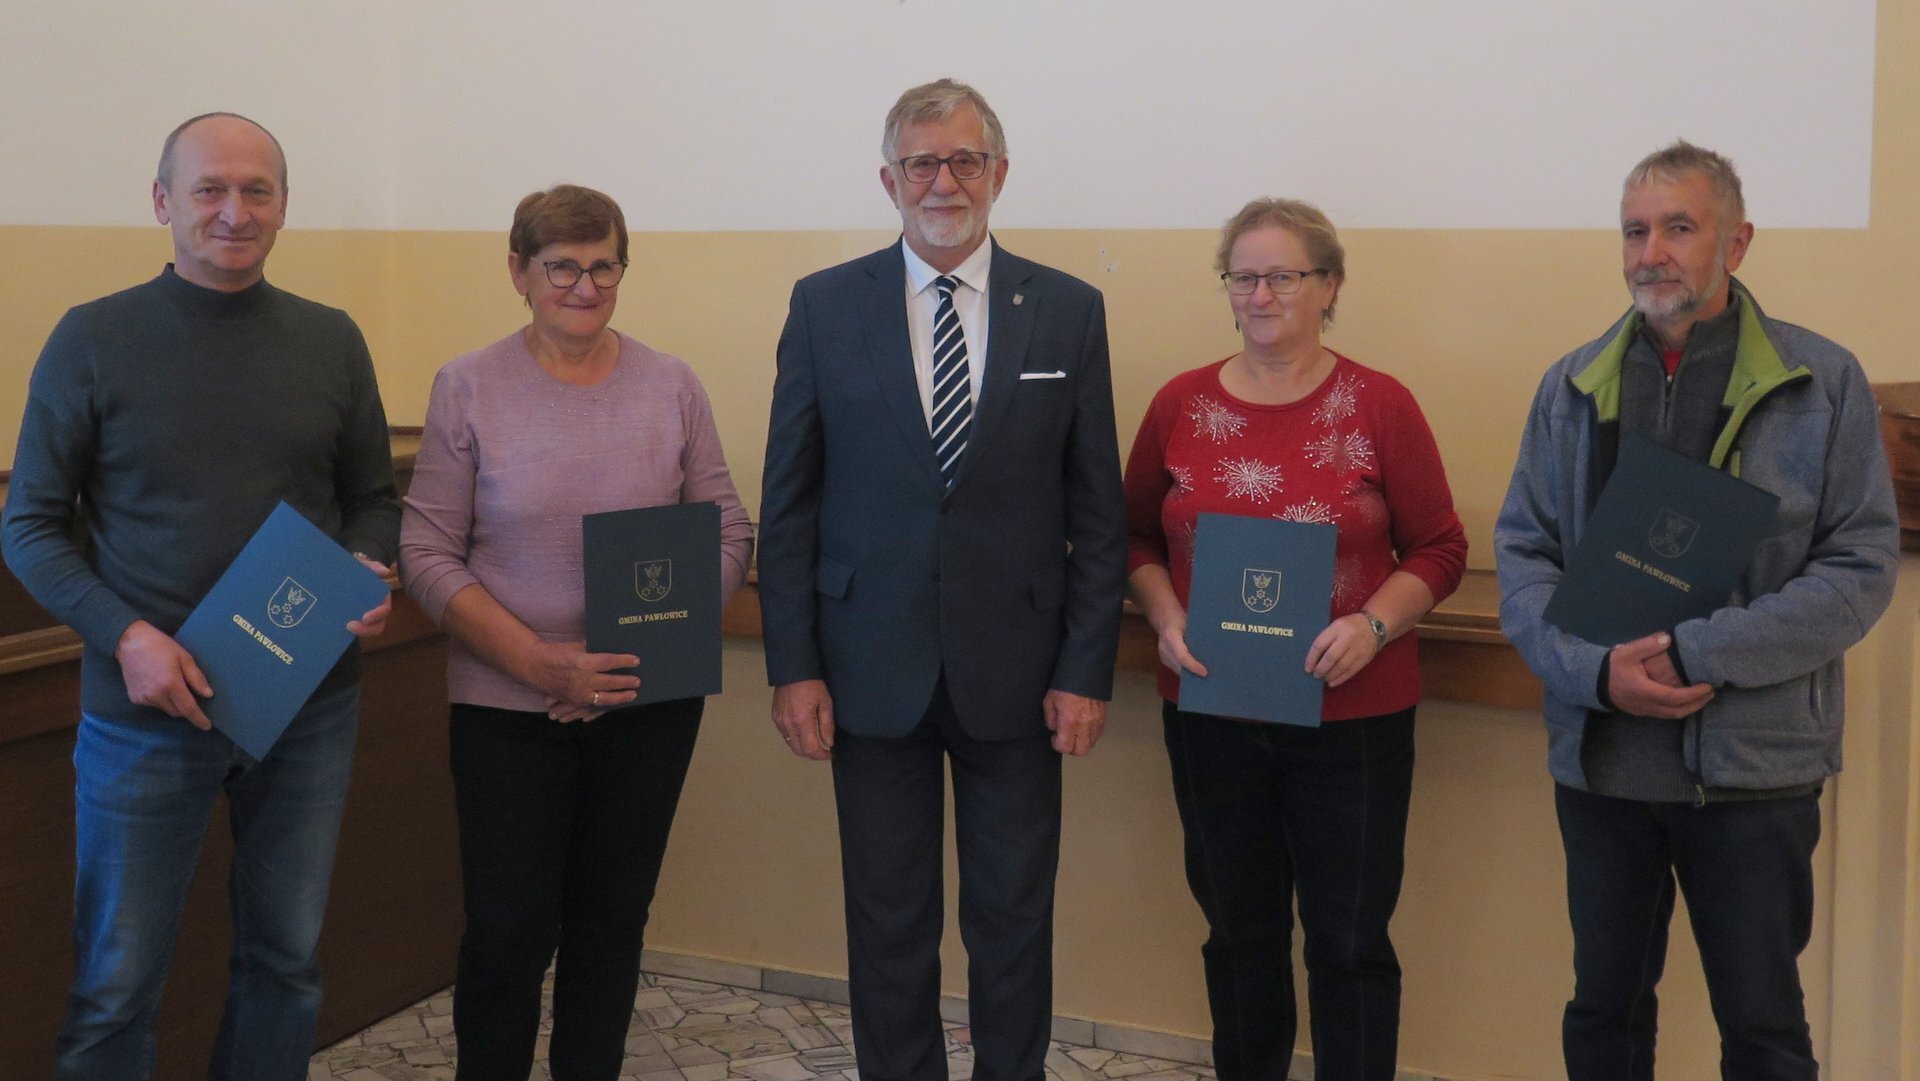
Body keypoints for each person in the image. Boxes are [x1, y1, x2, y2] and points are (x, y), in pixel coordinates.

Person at [0, 112, 399, 1079]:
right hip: (146, 711)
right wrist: (126, 636)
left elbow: (373, 501)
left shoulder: (332, 338)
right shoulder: (92, 337)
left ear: (284, 205)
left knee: (286, 963)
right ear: (162, 202)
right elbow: (29, 525)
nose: (233, 211)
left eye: (257, 190)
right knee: (116, 985)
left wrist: (368, 566)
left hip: (306, 702)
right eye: (209, 189)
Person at [1494, 141, 1899, 1081]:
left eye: (1679, 227)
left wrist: (1697, 652)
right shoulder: (1570, 385)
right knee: (1603, 1013)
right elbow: (1524, 553)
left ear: (1737, 241)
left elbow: (1860, 564)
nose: (1652, 253)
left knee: (1763, 1028)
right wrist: (1595, 672)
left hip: (1754, 769)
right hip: (1604, 760)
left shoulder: (1823, 381)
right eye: (1635, 231)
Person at [758, 78, 1126, 1081]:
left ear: (998, 173)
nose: (943, 182)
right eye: (921, 163)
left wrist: (1085, 669)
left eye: (965, 160)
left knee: (1014, 918)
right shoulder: (825, 305)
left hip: (1021, 672)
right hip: (866, 670)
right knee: (888, 920)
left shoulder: (1069, 310)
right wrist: (793, 665)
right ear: (889, 180)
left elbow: (1098, 514)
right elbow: (787, 504)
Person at [399, 183, 752, 1081]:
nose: (585, 288)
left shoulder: (672, 383)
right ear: (519, 271)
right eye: (562, 267)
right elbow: (427, 551)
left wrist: (637, 662)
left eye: (605, 267)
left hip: (645, 707)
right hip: (506, 710)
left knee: (612, 922)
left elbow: (726, 529)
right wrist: (541, 664)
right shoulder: (468, 385)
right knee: (508, 930)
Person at [1123, 199, 1466, 1081]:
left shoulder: (1381, 404)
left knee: (1350, 941)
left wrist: (1372, 624)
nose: (1261, 293)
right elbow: (1133, 537)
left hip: (1353, 717)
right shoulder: (1180, 403)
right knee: (1239, 934)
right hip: (1211, 707)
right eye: (1243, 276)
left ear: (1330, 286)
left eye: (1283, 275)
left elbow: (1440, 548)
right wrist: (1163, 614)